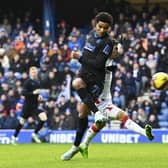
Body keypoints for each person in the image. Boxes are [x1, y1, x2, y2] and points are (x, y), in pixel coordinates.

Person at [61, 41, 154, 161]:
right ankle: (76, 147)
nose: (117, 51)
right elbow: (93, 63)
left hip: (105, 99)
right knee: (121, 116)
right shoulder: (101, 61)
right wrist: (79, 57)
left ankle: (83, 145)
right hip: (99, 100)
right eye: (115, 49)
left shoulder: (109, 62)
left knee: (100, 123)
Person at [61, 12, 116, 160]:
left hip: (96, 79)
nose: (102, 30)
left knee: (82, 111)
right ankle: (76, 147)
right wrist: (81, 57)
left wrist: (79, 57)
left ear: (109, 28)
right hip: (84, 73)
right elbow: (88, 57)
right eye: (100, 27)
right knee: (77, 89)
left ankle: (75, 147)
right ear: (95, 24)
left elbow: (98, 64)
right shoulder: (90, 35)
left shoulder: (109, 43)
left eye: (106, 28)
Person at [11, 66, 48, 144]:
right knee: (21, 122)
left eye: (35, 72)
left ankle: (34, 134)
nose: (34, 73)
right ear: (30, 73)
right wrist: (33, 93)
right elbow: (23, 93)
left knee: (44, 118)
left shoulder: (38, 82)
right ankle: (14, 137)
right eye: (32, 72)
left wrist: (39, 96)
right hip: (27, 107)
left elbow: (37, 93)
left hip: (35, 106)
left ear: (37, 73)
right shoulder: (27, 82)